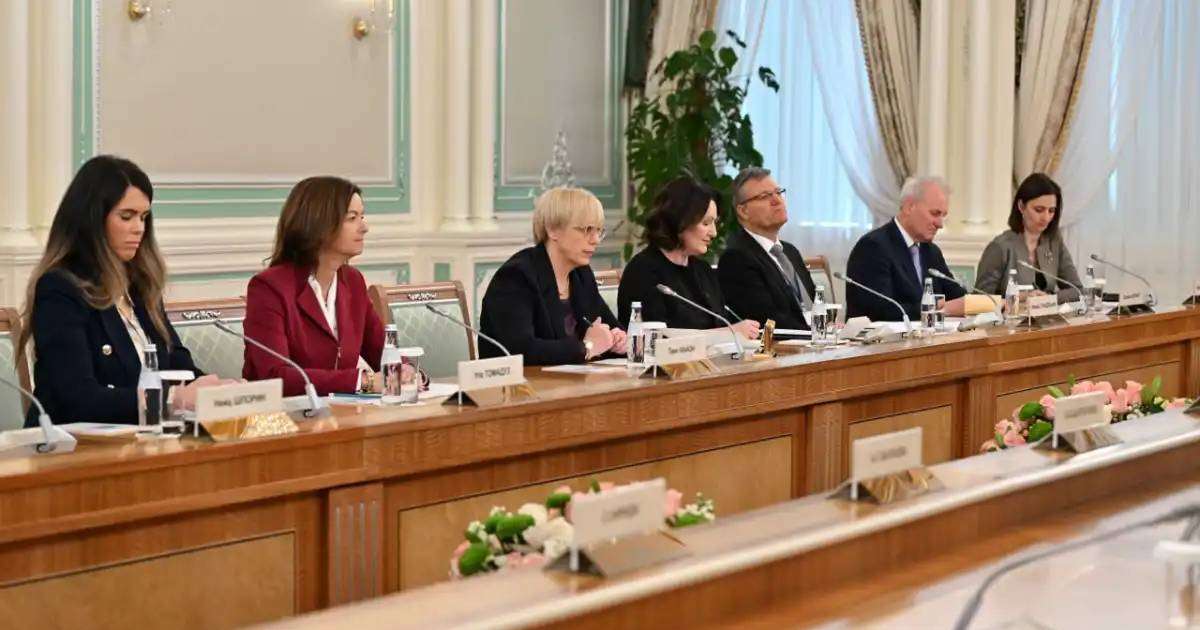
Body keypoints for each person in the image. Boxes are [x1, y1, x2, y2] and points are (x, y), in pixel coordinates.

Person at [19, 155, 228, 426]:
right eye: (126, 217)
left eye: (144, 217)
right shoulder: (60, 289)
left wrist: (217, 390)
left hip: (141, 442)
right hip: (72, 451)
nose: (139, 228)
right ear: (92, 219)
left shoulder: (140, 285)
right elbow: (78, 398)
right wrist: (173, 399)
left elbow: (176, 362)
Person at [242, 176, 387, 396]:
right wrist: (362, 381)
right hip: (285, 420)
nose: (364, 227)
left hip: (341, 416)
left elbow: (383, 351)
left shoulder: (353, 282)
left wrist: (408, 372)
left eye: (362, 216)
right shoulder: (269, 288)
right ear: (320, 224)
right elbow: (275, 375)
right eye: (352, 218)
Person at [479, 187, 627, 365]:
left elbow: (608, 326)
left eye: (598, 231)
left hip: (569, 385)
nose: (595, 239)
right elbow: (522, 350)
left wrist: (617, 339)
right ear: (553, 230)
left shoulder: (581, 275)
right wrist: (587, 347)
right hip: (516, 388)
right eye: (587, 230)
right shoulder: (517, 276)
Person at [618, 177, 760, 340]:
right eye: (706, 223)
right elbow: (658, 340)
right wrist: (727, 333)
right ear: (679, 221)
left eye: (715, 223)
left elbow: (721, 324)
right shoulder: (643, 272)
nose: (713, 233)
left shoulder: (703, 270)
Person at [845, 176, 967, 322]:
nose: (940, 224)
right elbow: (882, 312)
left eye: (943, 215)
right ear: (910, 207)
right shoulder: (873, 247)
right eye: (935, 213)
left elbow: (958, 297)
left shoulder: (931, 252)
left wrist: (992, 303)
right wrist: (938, 307)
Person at [717, 167, 819, 331]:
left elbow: (815, 304)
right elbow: (767, 320)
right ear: (743, 211)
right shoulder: (737, 258)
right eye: (765, 196)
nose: (777, 200)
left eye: (778, 192)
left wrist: (831, 328)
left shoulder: (790, 251)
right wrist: (816, 335)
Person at [975, 172, 1081, 302]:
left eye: (1051, 211)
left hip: (1047, 319)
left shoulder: (1054, 242)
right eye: (1039, 209)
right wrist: (1018, 298)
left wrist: (1048, 299)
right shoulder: (1000, 247)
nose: (1046, 217)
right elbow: (979, 300)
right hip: (1010, 320)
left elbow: (1077, 290)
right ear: (1021, 206)